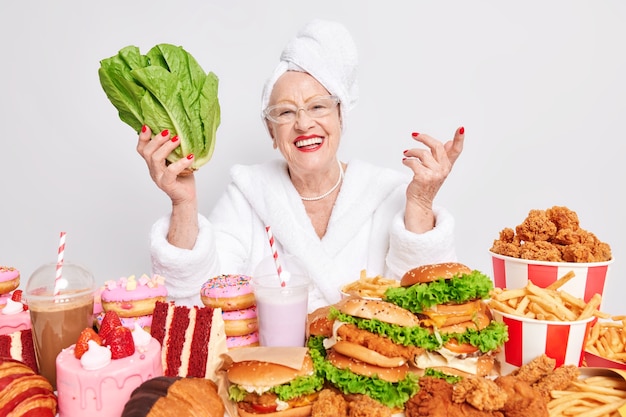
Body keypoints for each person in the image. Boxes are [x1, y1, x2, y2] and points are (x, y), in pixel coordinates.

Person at [136, 19, 464, 311]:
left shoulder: (387, 192)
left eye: (318, 106)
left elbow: (429, 302)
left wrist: (421, 202)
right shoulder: (247, 195)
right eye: (286, 112)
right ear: (271, 132)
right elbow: (196, 300)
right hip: (274, 373)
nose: (304, 123)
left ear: (340, 117)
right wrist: (183, 202)